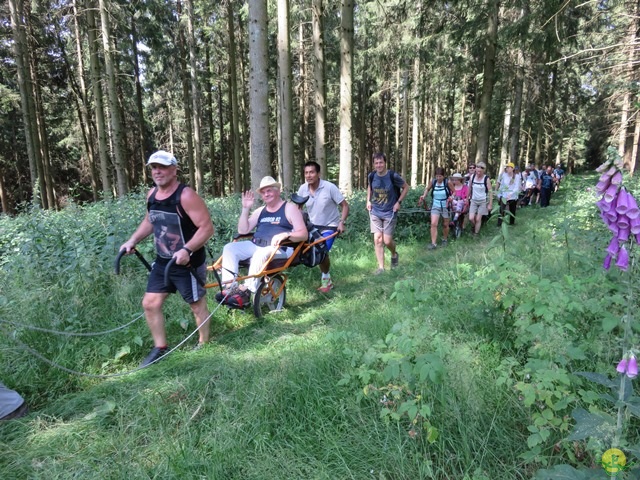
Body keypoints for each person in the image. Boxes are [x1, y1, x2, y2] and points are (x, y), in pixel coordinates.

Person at [120, 150, 215, 366]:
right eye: (153, 167)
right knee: (150, 303)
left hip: (188, 262)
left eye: (162, 167)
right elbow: (150, 221)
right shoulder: (151, 195)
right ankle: (160, 348)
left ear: (174, 170)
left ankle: (204, 344)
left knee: (196, 304)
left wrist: (187, 249)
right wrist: (132, 240)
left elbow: (207, 228)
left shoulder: (186, 195)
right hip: (163, 261)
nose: (157, 171)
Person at [218, 176, 308, 306]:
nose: (266, 194)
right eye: (263, 192)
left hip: (280, 248)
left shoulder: (289, 208)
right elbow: (243, 230)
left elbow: (303, 234)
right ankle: (230, 288)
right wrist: (245, 209)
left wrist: (286, 234)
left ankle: (246, 291)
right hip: (257, 244)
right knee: (229, 248)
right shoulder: (260, 211)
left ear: (278, 191)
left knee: (260, 254)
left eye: (270, 190)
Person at [297, 161, 349, 293]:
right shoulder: (303, 189)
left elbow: (345, 205)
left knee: (321, 250)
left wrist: (341, 222)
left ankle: (326, 281)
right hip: (312, 226)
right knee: (302, 250)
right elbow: (298, 208)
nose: (309, 175)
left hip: (330, 226)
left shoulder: (329, 187)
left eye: (312, 172)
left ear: (318, 174)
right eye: (306, 173)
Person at [367, 152, 409, 274]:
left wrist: (398, 202)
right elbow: (370, 188)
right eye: (376, 163)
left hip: (390, 211)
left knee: (387, 241)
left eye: (381, 162)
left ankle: (394, 254)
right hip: (375, 211)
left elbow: (406, 187)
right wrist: (368, 201)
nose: (379, 165)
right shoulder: (371, 175)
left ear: (385, 163)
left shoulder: (393, 176)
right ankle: (381, 267)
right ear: (374, 164)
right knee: (378, 240)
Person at [420, 167, 451, 250]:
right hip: (435, 205)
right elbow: (427, 189)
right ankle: (433, 244)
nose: (438, 178)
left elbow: (454, 192)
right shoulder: (433, 182)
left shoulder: (448, 182)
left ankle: (444, 239)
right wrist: (424, 195)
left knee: (445, 224)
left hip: (445, 205)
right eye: (437, 176)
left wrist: (451, 197)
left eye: (440, 176)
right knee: (433, 224)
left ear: (444, 176)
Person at [466, 161, 493, 235]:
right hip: (473, 200)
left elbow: (490, 192)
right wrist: (466, 199)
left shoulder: (486, 179)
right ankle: (474, 227)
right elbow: (469, 188)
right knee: (471, 218)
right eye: (477, 169)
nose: (479, 171)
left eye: (481, 170)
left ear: (483, 170)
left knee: (478, 219)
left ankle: (476, 233)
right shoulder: (472, 177)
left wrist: (490, 204)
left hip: (483, 201)